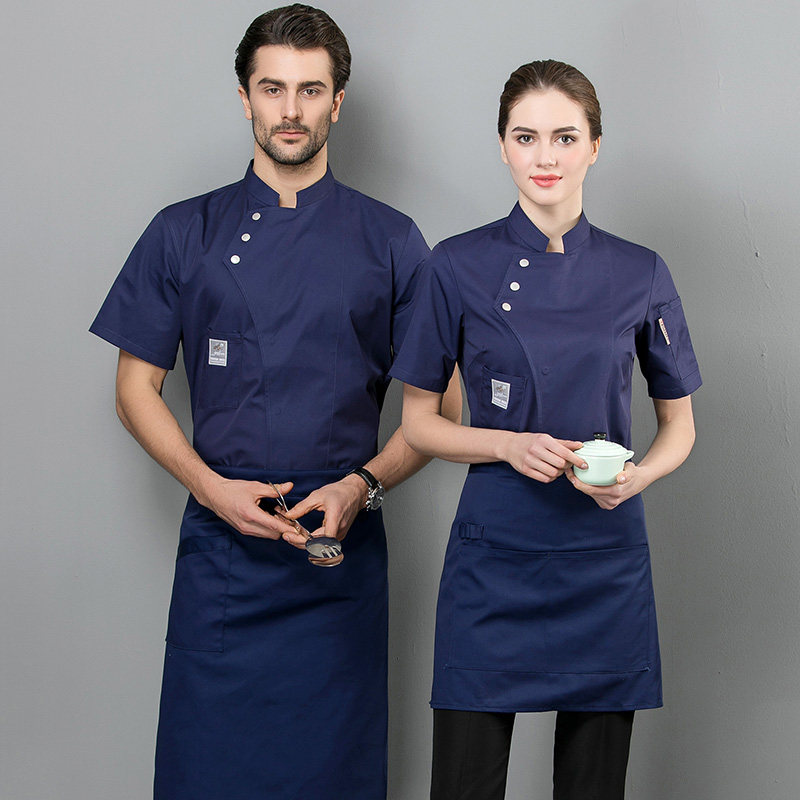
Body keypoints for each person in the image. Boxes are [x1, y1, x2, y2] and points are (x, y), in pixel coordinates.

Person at [89, 6, 459, 799]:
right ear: (244, 96)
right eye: (272, 88)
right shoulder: (183, 232)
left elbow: (444, 407)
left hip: (338, 549)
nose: (291, 110)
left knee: (334, 775)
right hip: (222, 549)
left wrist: (363, 485)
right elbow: (133, 389)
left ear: (338, 102)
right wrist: (208, 488)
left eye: (310, 90)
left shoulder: (392, 241)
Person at [390, 59, 701, 800]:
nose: (545, 157)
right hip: (493, 556)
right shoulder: (455, 265)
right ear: (503, 147)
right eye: (526, 137)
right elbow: (418, 423)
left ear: (595, 146)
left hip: (603, 555)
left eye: (565, 136)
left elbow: (680, 425)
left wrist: (639, 477)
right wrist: (506, 444)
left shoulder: (640, 272)